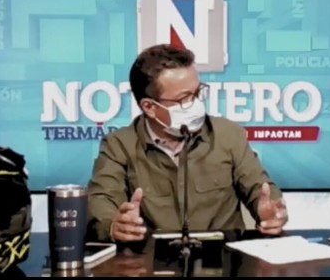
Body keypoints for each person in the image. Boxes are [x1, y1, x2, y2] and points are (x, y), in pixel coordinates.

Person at [87, 44, 288, 243]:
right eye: (184, 99)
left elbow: (260, 188)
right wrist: (114, 225)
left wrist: (270, 212)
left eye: (198, 93)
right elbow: (101, 201)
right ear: (149, 107)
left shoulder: (228, 134)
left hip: (223, 257)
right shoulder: (119, 145)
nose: (196, 104)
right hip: (151, 258)